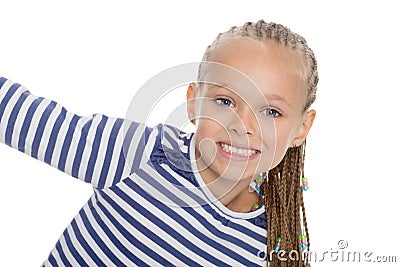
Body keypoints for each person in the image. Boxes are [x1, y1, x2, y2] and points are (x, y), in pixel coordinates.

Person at [0, 20, 318, 266]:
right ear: (193, 103)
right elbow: (29, 118)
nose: (242, 126)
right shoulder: (144, 155)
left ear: (301, 128)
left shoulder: (273, 241)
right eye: (225, 101)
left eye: (271, 111)